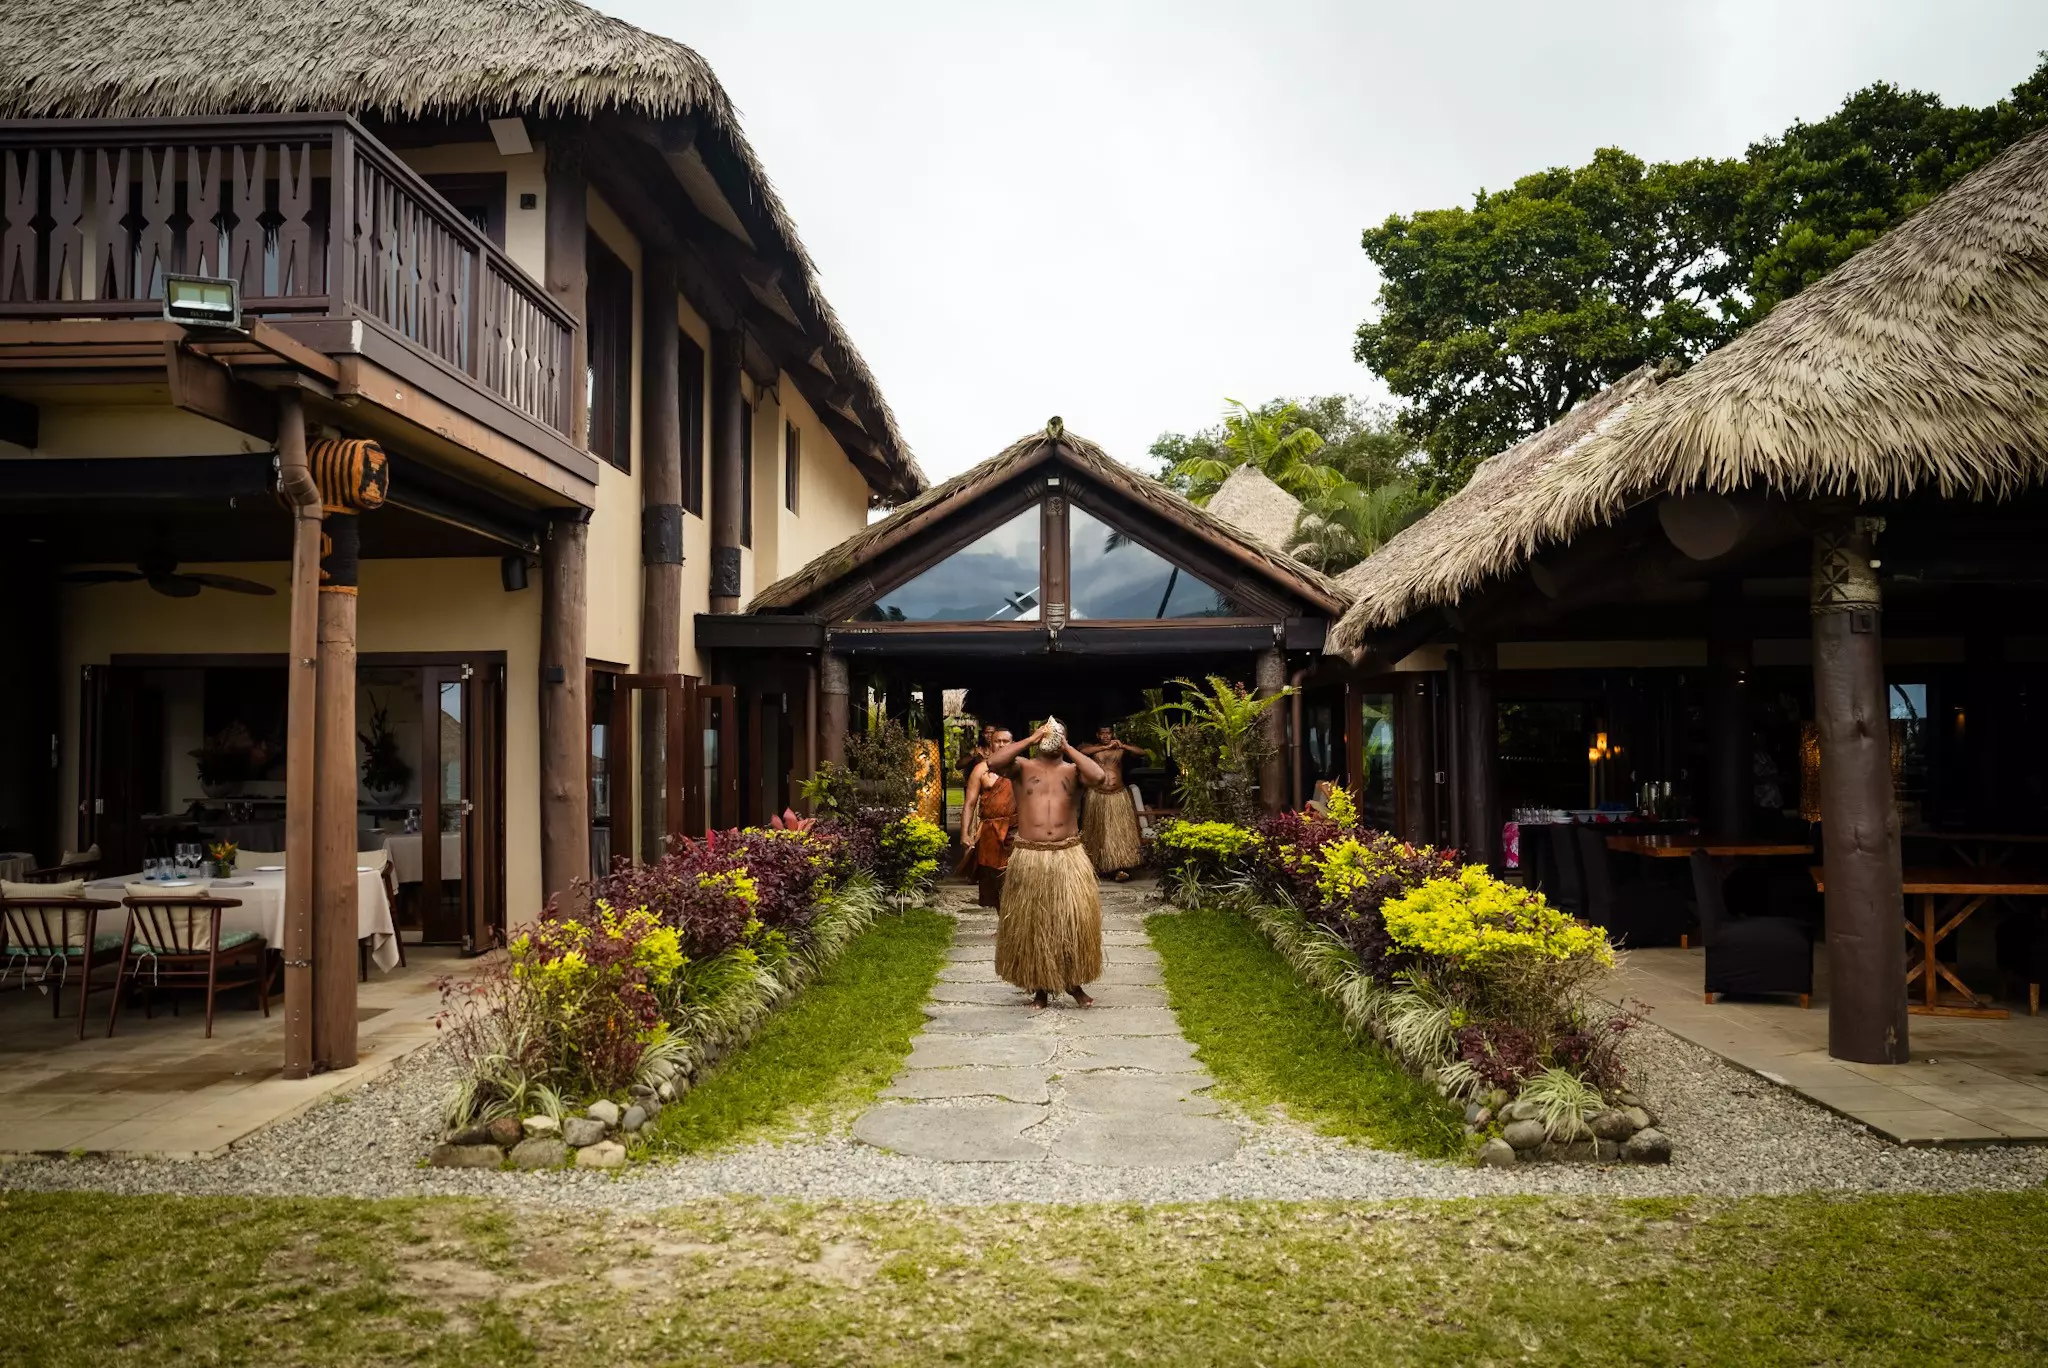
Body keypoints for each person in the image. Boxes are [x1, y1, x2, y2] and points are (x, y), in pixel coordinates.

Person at [982, 718, 1106, 1008]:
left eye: (1057, 735)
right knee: (1035, 925)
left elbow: (1099, 777)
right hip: (1030, 855)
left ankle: (1074, 984)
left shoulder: (1073, 770)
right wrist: (1030, 739)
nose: (1051, 738)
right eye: (1048, 734)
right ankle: (1039, 987)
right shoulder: (1022, 767)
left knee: (1071, 921)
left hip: (1068, 855)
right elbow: (994, 763)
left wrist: (1067, 747)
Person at [956, 727, 1015, 908]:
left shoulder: (1022, 766)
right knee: (993, 879)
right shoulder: (981, 769)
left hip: (1017, 829)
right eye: (998, 741)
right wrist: (964, 834)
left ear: (1013, 744)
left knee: (1017, 877)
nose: (1002, 744)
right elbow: (970, 803)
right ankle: (1003, 920)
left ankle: (1017, 922)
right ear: (991, 743)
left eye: (1006, 741)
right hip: (990, 831)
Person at [1080, 724, 1145, 880]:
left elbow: (1142, 752)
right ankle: (1099, 864)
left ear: (1112, 734)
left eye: (1108, 733)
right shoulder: (1092, 749)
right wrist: (1105, 747)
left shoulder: (1120, 749)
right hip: (1097, 795)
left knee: (1119, 832)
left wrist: (1123, 745)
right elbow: (1081, 752)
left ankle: (1119, 866)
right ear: (1097, 735)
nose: (1105, 736)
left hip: (1118, 795)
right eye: (1102, 733)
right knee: (1100, 831)